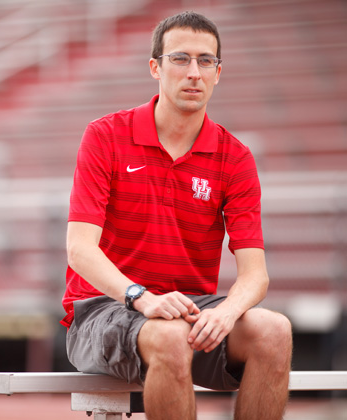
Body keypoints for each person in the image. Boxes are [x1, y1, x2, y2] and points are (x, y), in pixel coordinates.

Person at [61, 11, 292, 420]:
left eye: (206, 61)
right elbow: (80, 250)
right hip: (104, 308)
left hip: (190, 312)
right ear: (156, 67)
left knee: (274, 331)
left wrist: (225, 313)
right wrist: (142, 298)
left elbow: (255, 276)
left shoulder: (235, 157)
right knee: (170, 337)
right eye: (180, 59)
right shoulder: (106, 136)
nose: (194, 73)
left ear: (218, 72)